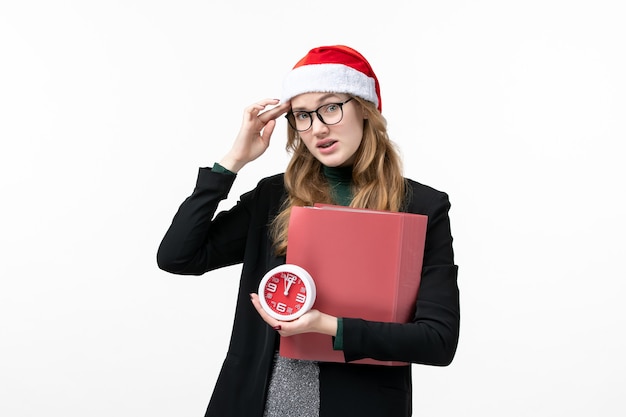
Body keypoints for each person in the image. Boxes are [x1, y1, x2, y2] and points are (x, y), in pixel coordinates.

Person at [157, 45, 460, 417]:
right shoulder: (274, 196)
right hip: (254, 404)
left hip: (360, 405)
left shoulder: (422, 207)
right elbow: (178, 256)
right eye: (302, 115)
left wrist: (328, 326)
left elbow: (438, 341)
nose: (317, 128)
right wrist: (232, 161)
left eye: (331, 107)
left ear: (364, 109)